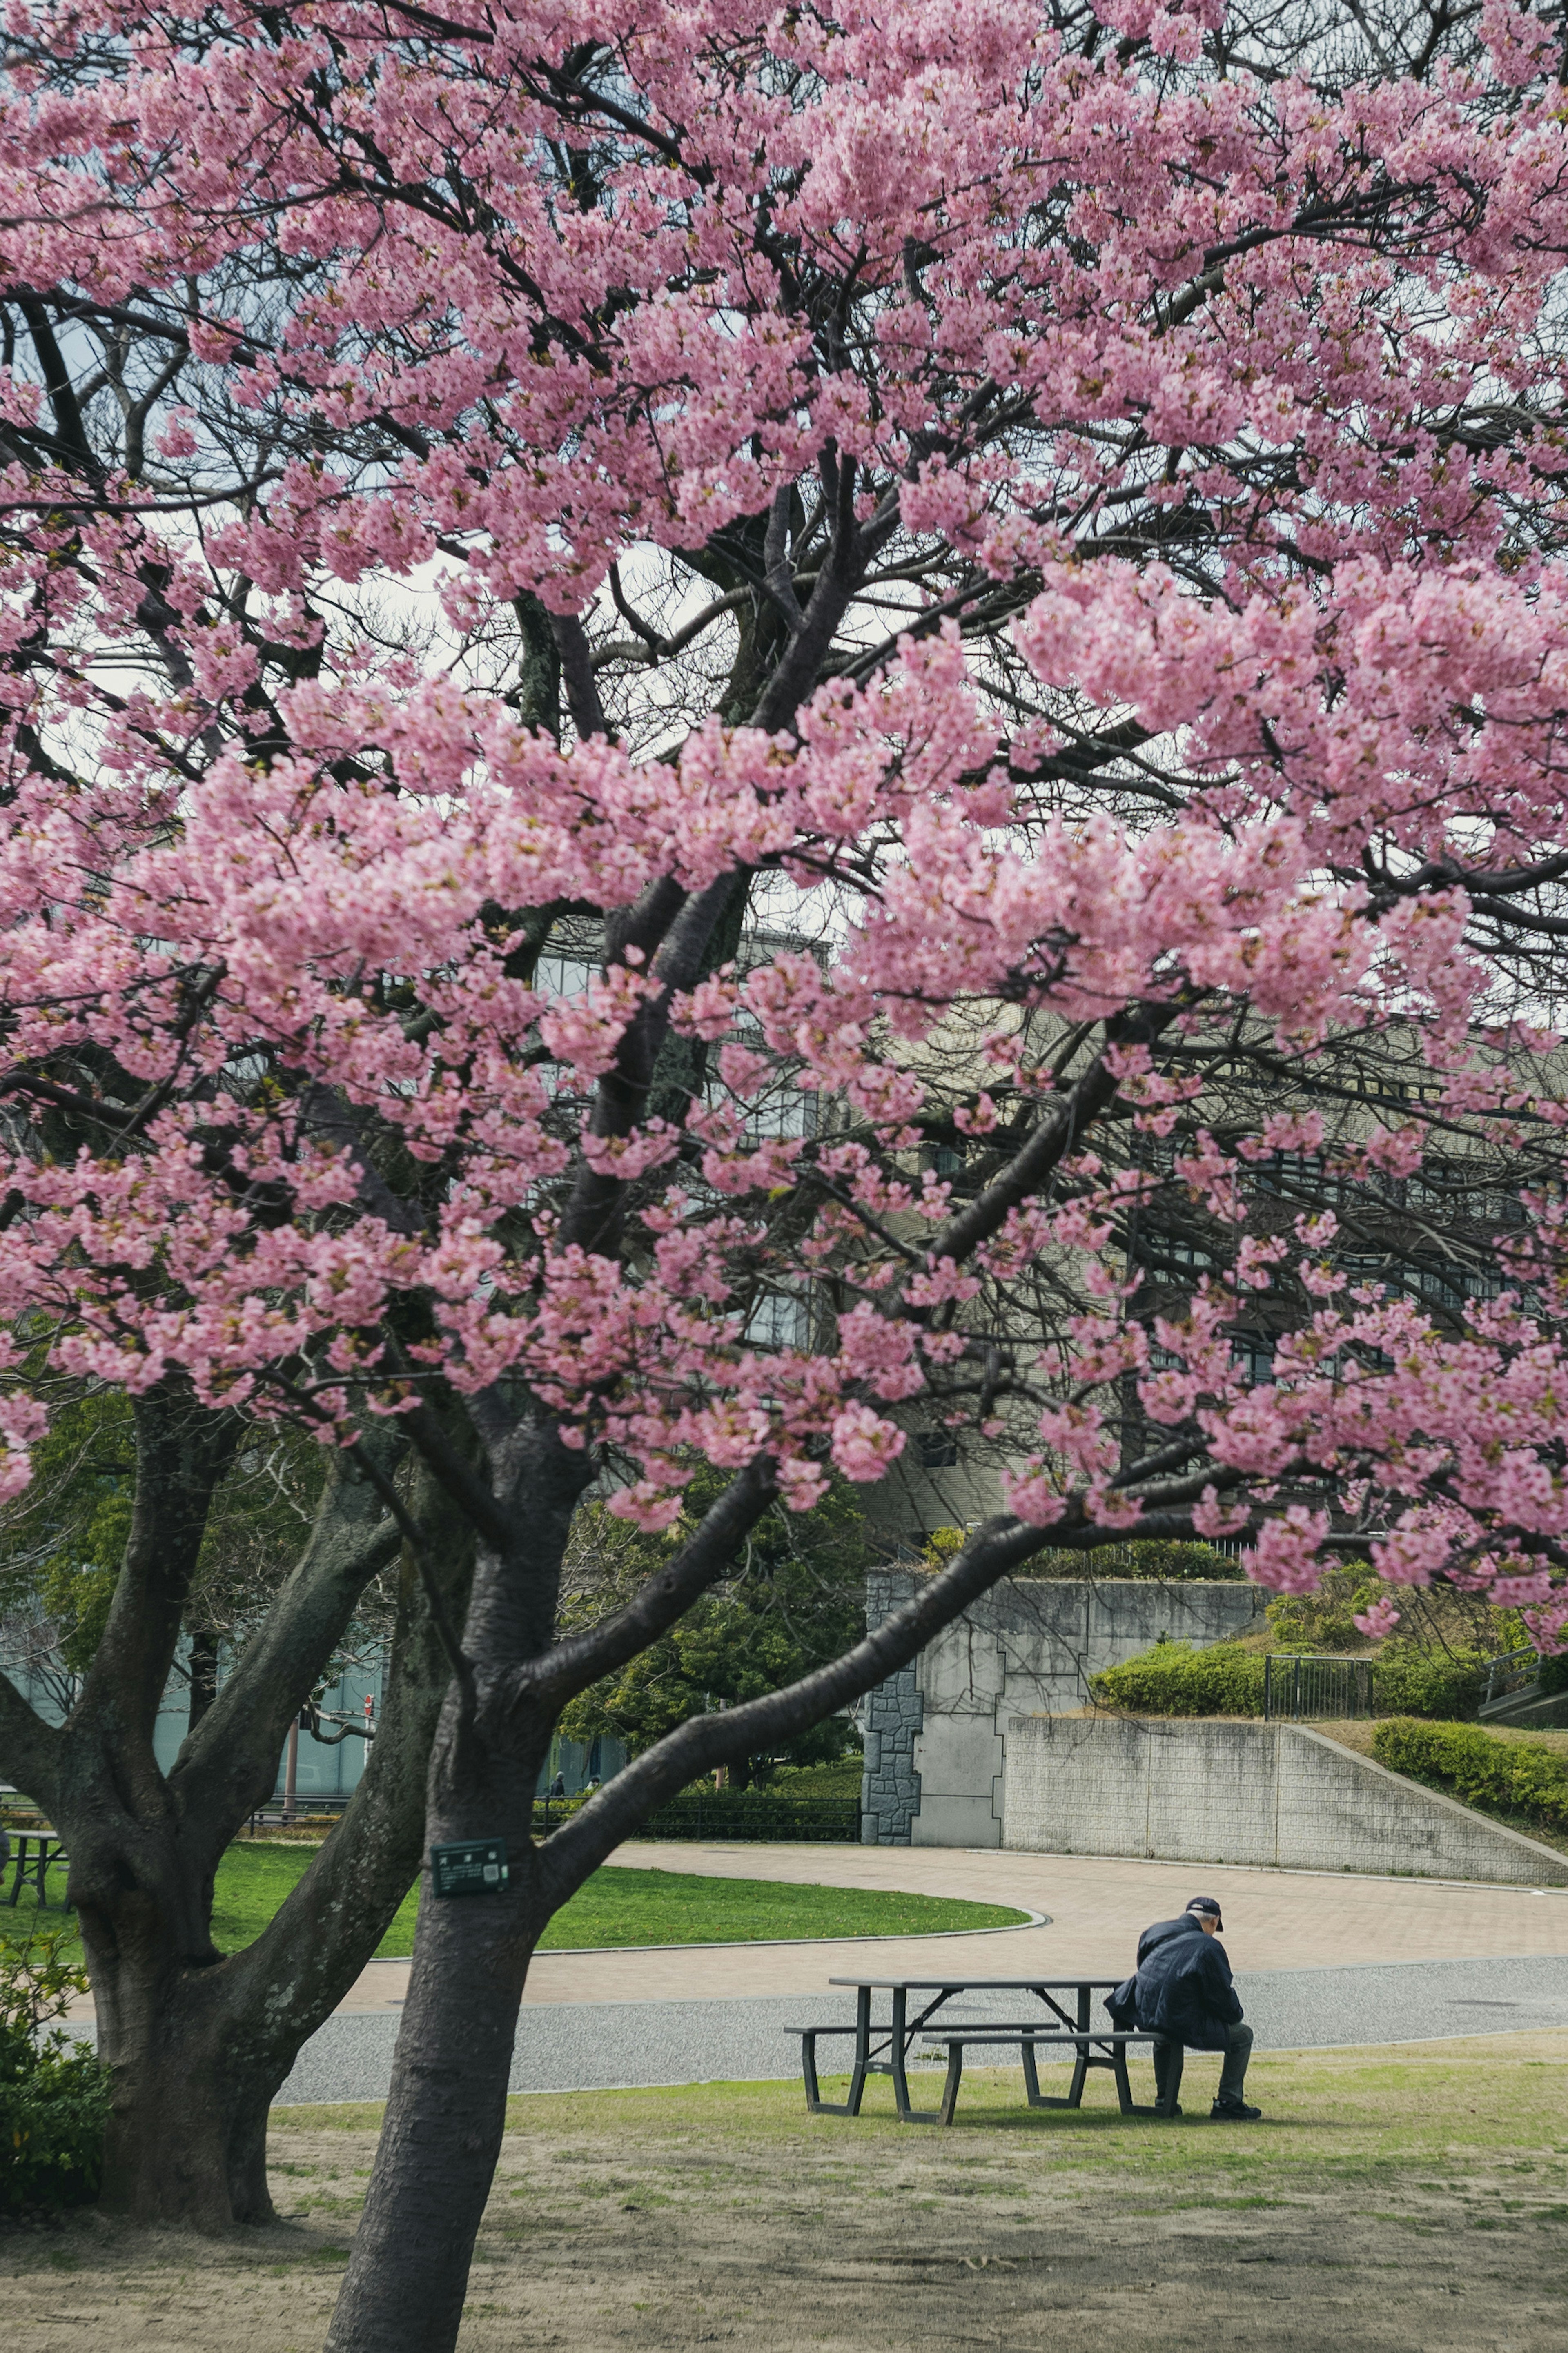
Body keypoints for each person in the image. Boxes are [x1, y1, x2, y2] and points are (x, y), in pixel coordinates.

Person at [1131, 1894, 1260, 2122]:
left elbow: (1146, 1969)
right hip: (1180, 2020)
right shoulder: (1208, 1946)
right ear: (1214, 1922)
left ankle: (1164, 2099)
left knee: (1164, 2033)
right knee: (1242, 2036)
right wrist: (1235, 2015)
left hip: (1145, 2013)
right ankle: (1229, 2102)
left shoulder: (1154, 1932)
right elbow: (1220, 1995)